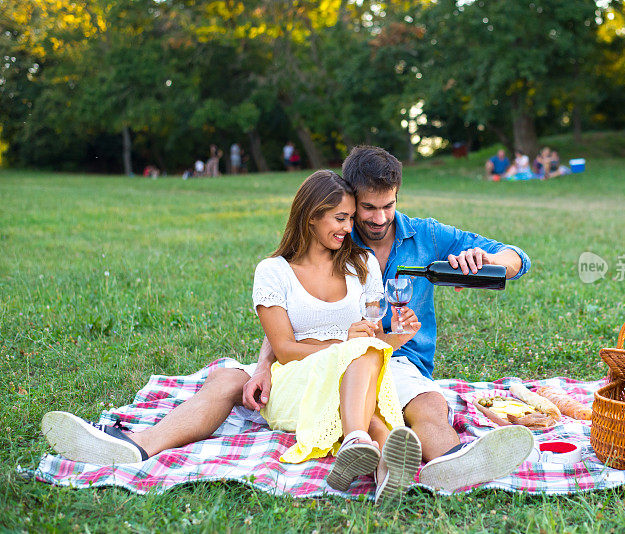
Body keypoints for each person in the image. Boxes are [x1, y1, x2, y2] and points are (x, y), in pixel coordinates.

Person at [40, 170, 425, 504]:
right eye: (341, 218)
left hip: (357, 372)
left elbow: (374, 345)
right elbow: (287, 350)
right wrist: (346, 343)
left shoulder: (363, 265)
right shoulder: (274, 272)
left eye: (349, 219)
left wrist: (398, 337)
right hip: (298, 378)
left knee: (364, 361)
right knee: (239, 375)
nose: (348, 228)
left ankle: (377, 462)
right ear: (311, 217)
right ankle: (140, 444)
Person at [339, 145, 534, 493]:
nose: (380, 219)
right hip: (343, 355)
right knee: (416, 403)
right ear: (351, 200)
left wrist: (485, 259)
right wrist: (265, 364)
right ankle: (450, 461)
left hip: (404, 359)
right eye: (368, 208)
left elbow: (518, 260)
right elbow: (293, 301)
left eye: (389, 205)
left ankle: (453, 461)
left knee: (427, 402)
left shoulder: (426, 235)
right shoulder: (335, 235)